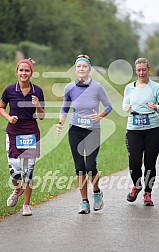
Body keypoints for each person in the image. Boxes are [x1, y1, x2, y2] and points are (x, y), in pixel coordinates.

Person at [56, 54, 112, 214]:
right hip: (75, 130)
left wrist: (100, 115)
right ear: (75, 69)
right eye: (78, 66)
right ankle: (84, 202)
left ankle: (96, 192)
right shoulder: (69, 88)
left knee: (90, 166)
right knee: (79, 168)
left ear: (89, 69)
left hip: (93, 130)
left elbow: (109, 106)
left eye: (84, 66)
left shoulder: (97, 87)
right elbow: (64, 108)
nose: (81, 69)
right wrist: (60, 122)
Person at [0, 58, 45, 216]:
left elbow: (42, 116)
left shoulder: (37, 91)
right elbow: (1, 107)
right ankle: (17, 189)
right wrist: (8, 117)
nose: (24, 73)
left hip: (31, 132)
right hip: (13, 132)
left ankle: (26, 205)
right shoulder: (9, 90)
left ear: (31, 73)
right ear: (17, 72)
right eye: (21, 70)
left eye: (27, 70)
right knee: (15, 171)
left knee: (29, 172)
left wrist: (38, 104)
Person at [122, 58, 159, 206]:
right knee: (134, 162)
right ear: (136, 71)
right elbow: (125, 105)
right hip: (134, 130)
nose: (141, 72)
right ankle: (136, 185)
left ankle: (148, 194)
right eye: (139, 70)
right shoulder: (129, 88)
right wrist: (126, 108)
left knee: (149, 163)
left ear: (149, 70)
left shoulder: (156, 88)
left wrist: (156, 107)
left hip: (153, 130)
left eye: (144, 69)